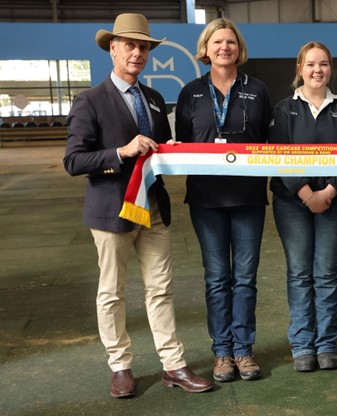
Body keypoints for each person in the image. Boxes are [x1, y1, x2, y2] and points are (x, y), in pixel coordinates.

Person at [63, 13, 213, 398]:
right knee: (112, 292)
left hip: (154, 209)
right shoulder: (90, 100)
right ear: (112, 49)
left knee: (160, 289)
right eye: (129, 45)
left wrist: (172, 151)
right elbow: (74, 161)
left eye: (143, 46)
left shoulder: (153, 99)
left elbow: (156, 151)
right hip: (112, 210)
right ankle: (120, 365)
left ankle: (172, 364)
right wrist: (120, 151)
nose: (137, 52)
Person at [174, 17, 271, 382]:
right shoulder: (191, 92)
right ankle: (222, 354)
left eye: (230, 41)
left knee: (245, 278)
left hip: (248, 199)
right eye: (217, 42)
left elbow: (266, 141)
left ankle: (244, 351)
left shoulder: (257, 89)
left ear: (238, 48)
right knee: (216, 278)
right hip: (206, 200)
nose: (224, 47)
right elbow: (184, 142)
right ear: (206, 48)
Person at [269, 42, 337, 372]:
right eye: (310, 64)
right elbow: (278, 155)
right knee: (299, 273)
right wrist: (308, 193)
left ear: (330, 69)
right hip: (291, 202)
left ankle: (326, 343)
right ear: (300, 68)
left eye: (323, 64)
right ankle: (302, 344)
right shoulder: (283, 110)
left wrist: (330, 192)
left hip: (334, 202)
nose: (317, 70)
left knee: (326, 273)